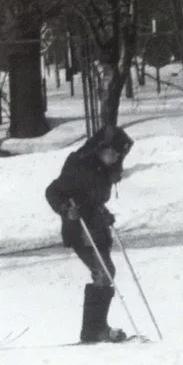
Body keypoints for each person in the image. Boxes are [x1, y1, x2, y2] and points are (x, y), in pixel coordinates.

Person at [45, 124, 136, 343]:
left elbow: (93, 200)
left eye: (118, 154)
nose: (114, 157)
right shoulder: (79, 164)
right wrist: (66, 209)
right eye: (111, 151)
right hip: (79, 230)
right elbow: (53, 191)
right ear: (100, 148)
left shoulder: (105, 171)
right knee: (104, 272)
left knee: (106, 272)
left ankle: (95, 328)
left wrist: (105, 214)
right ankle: (94, 330)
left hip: (96, 229)